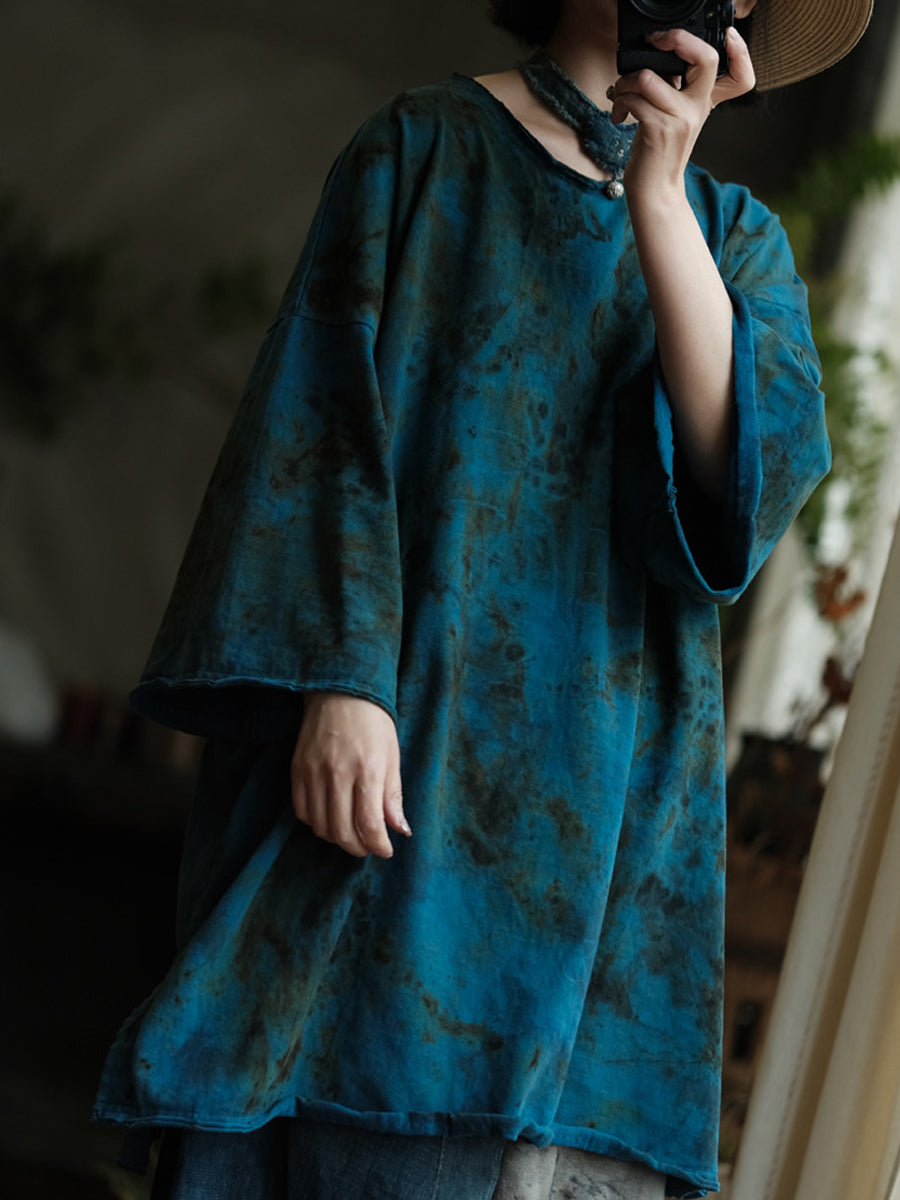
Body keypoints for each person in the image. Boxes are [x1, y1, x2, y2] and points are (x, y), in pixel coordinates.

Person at [94, 0, 872, 1196]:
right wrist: (341, 680)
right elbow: (316, 427)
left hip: (608, 819)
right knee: (329, 1085)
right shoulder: (420, 149)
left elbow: (736, 505)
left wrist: (662, 196)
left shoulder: (735, 240)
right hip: (393, 770)